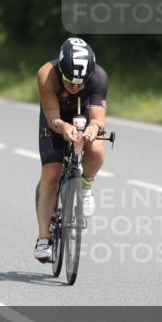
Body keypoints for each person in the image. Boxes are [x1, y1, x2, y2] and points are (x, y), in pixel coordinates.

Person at [33, 37, 109, 263]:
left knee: (96, 149)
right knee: (51, 173)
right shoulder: (46, 73)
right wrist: (63, 127)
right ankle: (43, 238)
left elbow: (98, 120)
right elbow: (52, 118)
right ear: (61, 72)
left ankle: (86, 186)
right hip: (55, 116)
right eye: (69, 82)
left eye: (80, 83)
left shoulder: (99, 77)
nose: (75, 87)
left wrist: (92, 130)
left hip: (84, 115)